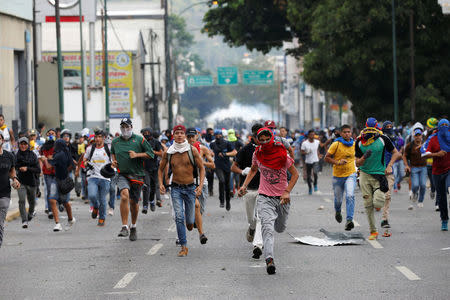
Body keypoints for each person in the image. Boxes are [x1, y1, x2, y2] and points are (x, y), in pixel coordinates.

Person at [238, 127, 299, 275]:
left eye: (267, 139)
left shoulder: (282, 154)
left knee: (280, 228)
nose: (265, 142)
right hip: (264, 197)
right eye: (262, 140)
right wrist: (244, 186)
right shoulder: (257, 154)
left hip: (282, 198)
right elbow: (253, 169)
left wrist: (286, 192)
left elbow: (295, 174)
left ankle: (269, 253)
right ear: (258, 140)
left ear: (272, 138)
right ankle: (269, 259)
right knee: (267, 228)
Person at [158, 125, 205, 257]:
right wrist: (161, 183)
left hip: (190, 188)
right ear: (173, 135)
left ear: (184, 135)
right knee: (179, 217)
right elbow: (160, 168)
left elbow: (202, 168)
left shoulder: (192, 150)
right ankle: (184, 246)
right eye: (177, 133)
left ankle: (190, 224)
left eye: (181, 133)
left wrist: (200, 186)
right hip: (176, 188)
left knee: (189, 222)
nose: (179, 135)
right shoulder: (169, 152)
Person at [355, 118, 401, 240]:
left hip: (380, 174)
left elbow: (396, 153)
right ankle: (373, 231)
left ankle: (379, 208)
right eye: (368, 128)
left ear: (377, 128)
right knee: (368, 204)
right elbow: (357, 163)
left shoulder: (383, 139)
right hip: (364, 174)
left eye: (373, 128)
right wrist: (364, 157)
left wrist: (390, 165)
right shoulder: (359, 141)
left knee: (379, 201)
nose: (370, 131)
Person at [111, 118, 153, 241]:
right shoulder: (115, 142)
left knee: (134, 203)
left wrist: (137, 155)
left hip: (137, 175)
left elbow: (150, 154)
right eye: (123, 126)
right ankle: (124, 226)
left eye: (127, 126)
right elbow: (113, 153)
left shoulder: (139, 139)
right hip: (122, 174)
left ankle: (133, 226)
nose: (125, 129)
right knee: (124, 195)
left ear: (131, 127)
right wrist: (114, 161)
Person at [231, 123, 264, 259]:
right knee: (252, 219)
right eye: (258, 136)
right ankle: (251, 228)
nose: (261, 139)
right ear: (254, 136)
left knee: (261, 218)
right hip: (249, 189)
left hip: (264, 190)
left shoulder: (269, 149)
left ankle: (258, 246)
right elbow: (233, 167)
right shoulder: (245, 150)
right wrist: (243, 172)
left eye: (264, 136)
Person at [324, 124, 356, 231]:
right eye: (345, 132)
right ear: (341, 133)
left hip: (351, 173)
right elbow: (326, 158)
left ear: (351, 133)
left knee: (350, 195)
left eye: (349, 132)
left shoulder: (354, 144)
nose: (347, 134)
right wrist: (338, 162)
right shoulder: (336, 144)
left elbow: (359, 158)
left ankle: (349, 220)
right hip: (337, 176)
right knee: (338, 199)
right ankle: (337, 211)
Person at [186, 127, 214, 244]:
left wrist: (202, 163)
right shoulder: (182, 149)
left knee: (200, 209)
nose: (191, 139)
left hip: (202, 180)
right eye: (189, 137)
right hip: (189, 181)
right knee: (195, 205)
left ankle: (195, 221)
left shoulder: (202, 149)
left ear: (197, 136)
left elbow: (212, 165)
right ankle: (201, 233)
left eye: (193, 136)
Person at [42, 139, 76, 231]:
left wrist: (45, 159)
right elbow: (73, 165)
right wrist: (65, 171)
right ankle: (58, 224)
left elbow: (49, 167)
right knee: (53, 200)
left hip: (60, 180)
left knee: (64, 201)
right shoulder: (67, 153)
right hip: (59, 179)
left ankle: (70, 219)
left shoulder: (58, 154)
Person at [423, 119, 450, 231]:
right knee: (442, 198)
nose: (444, 127)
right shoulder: (432, 139)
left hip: (449, 169)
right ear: (438, 127)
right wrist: (437, 154)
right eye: (442, 125)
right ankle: (444, 220)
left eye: (446, 125)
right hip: (437, 172)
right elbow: (424, 154)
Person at [84, 130, 112, 226]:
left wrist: (113, 167)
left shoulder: (109, 148)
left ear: (104, 138)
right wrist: (86, 163)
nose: (97, 139)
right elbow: (85, 159)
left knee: (103, 199)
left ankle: (102, 218)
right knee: (92, 195)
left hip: (105, 178)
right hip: (93, 176)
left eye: (100, 137)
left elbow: (114, 161)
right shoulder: (89, 149)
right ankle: (95, 207)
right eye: (96, 137)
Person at [0, 132, 21, 248]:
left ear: (3, 141)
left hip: (4, 194)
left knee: (0, 223)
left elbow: (12, 170)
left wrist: (15, 179)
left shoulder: (9, 156)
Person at [15, 137, 41, 228]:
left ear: (28, 145)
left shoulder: (33, 155)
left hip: (31, 182)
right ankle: (24, 220)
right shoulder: (16, 155)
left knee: (32, 202)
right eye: (21, 144)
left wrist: (27, 168)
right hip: (20, 181)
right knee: (21, 200)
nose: (23, 146)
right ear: (19, 145)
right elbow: (13, 168)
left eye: (25, 144)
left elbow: (38, 169)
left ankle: (30, 213)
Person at [210, 130, 237, 210]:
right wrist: (210, 155)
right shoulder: (213, 144)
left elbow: (234, 152)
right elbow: (209, 152)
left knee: (227, 185)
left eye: (219, 135)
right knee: (221, 181)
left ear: (222, 135)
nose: (218, 136)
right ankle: (221, 200)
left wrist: (225, 154)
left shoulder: (227, 143)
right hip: (217, 166)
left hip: (227, 166)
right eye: (216, 135)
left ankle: (228, 201)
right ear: (214, 136)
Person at [403, 128, 427, 209]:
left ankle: (420, 201)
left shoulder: (425, 144)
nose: (417, 137)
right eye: (416, 135)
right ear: (414, 136)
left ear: (421, 136)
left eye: (419, 135)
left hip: (423, 167)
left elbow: (430, 152)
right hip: (414, 168)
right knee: (415, 185)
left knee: (423, 185)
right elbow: (404, 155)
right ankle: (414, 193)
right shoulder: (410, 145)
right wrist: (406, 165)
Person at [141, 128, 163, 213]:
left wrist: (152, 152)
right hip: (144, 168)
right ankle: (145, 205)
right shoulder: (141, 142)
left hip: (154, 168)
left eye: (148, 133)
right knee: (146, 186)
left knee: (154, 187)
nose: (146, 134)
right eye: (144, 133)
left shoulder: (156, 142)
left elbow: (161, 153)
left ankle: (152, 201)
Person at [39, 128, 57, 219]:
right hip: (47, 172)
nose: (51, 135)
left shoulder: (58, 146)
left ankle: (58, 204)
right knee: (49, 190)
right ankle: (50, 210)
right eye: (49, 133)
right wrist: (41, 170)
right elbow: (41, 158)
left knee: (57, 190)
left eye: (52, 133)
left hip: (57, 171)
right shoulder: (43, 147)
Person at [301, 129, 321, 194]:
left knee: (315, 173)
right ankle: (310, 188)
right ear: (308, 135)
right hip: (308, 161)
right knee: (309, 176)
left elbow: (318, 149)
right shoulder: (305, 143)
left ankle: (315, 185)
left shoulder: (317, 142)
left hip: (315, 160)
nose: (312, 136)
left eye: (313, 134)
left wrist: (319, 154)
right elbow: (302, 151)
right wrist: (306, 152)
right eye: (311, 135)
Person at [228, 128, 243, 197]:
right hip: (237, 160)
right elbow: (243, 147)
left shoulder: (227, 141)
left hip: (231, 160)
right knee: (235, 176)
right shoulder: (238, 141)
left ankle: (232, 189)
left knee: (232, 176)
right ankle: (236, 189)